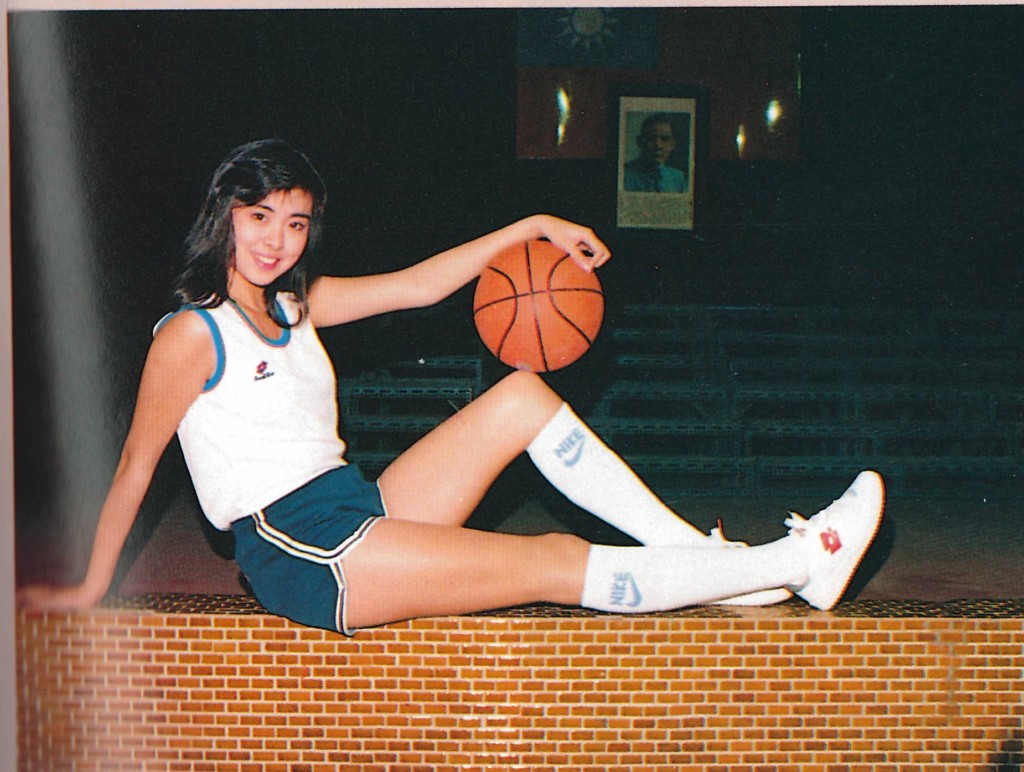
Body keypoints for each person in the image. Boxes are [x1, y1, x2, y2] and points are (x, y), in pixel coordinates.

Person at [17, 139, 885, 635]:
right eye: (259, 218)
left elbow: (420, 285)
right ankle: (799, 562)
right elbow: (133, 468)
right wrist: (89, 588)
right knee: (549, 559)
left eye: (295, 222)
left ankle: (723, 568)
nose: (276, 240)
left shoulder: (295, 304)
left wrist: (535, 225)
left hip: (357, 505)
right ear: (225, 216)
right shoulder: (190, 335)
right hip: (300, 550)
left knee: (521, 396)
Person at [623, 113, 688, 193]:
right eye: (651, 139)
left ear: (672, 145)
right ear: (640, 142)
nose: (658, 146)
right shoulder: (625, 174)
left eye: (664, 139)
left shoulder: (678, 178)